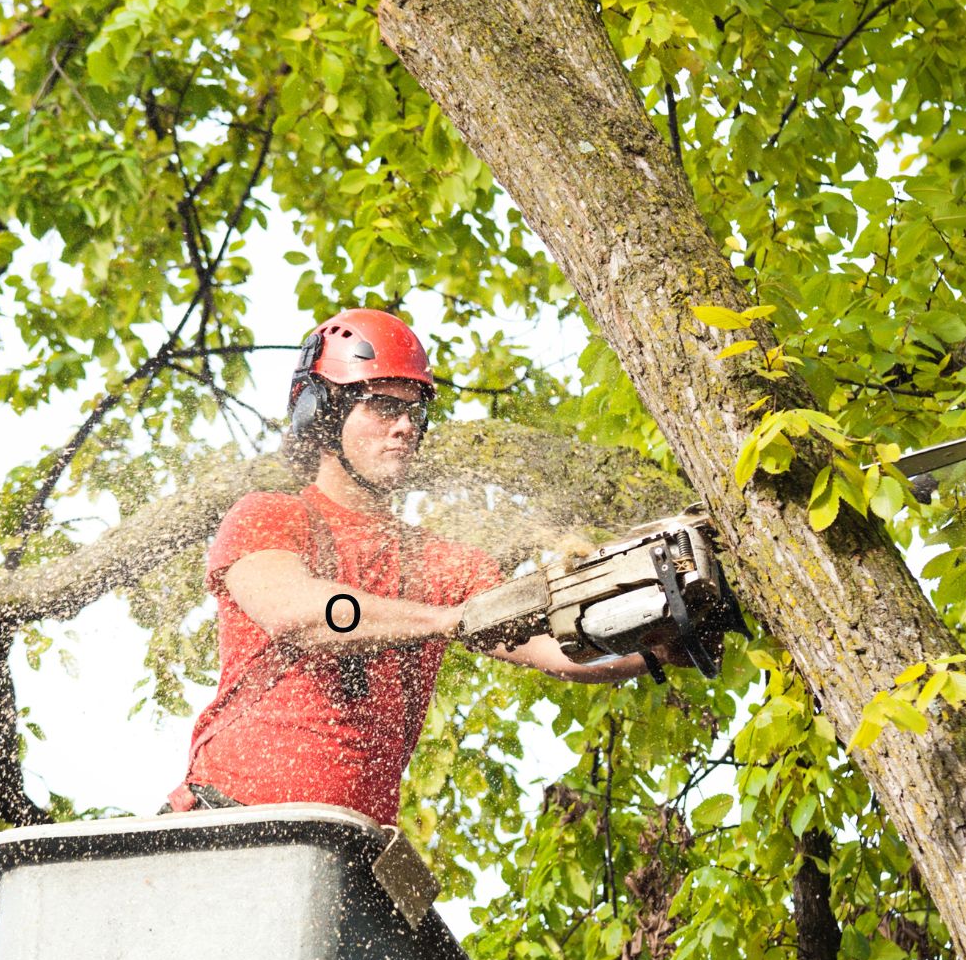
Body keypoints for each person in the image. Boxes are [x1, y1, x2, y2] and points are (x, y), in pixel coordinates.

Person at [164, 308, 671, 820]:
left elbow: (559, 651)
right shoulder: (272, 516)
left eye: (415, 412)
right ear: (323, 412)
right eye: (383, 406)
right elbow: (299, 614)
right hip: (229, 823)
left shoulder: (441, 563)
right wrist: (443, 620)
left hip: (356, 847)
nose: (405, 426)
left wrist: (659, 642)